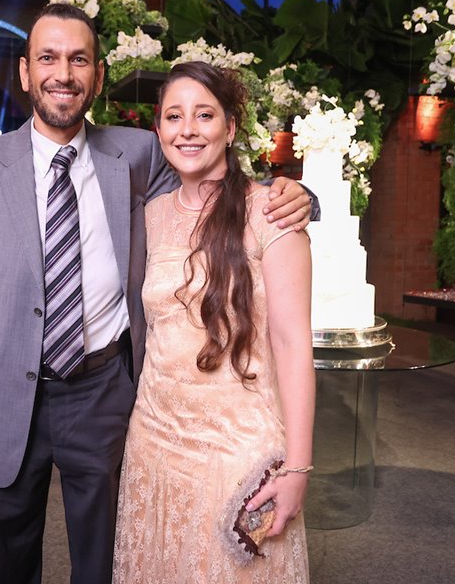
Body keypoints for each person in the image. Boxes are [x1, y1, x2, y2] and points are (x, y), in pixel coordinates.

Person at [0, 2, 311, 584]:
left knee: (107, 559)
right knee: (5, 557)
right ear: (25, 71)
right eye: (48, 58)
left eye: (79, 59)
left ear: (98, 76)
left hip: (103, 393)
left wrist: (300, 197)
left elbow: (219, 177)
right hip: (3, 389)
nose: (64, 73)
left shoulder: (134, 154)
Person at [112, 62, 314, 582]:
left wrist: (298, 467)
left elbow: (293, 345)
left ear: (230, 126)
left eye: (204, 115)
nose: (188, 129)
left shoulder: (272, 211)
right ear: (157, 131)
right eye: (174, 117)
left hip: (235, 450)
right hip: (153, 443)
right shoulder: (149, 216)